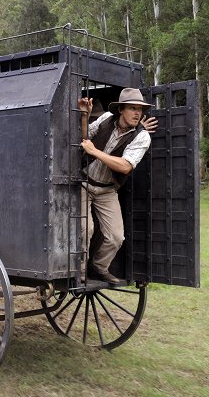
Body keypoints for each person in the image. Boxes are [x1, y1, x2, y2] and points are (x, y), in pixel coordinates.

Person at [78, 88, 154, 284]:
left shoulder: (142, 136)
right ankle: (78, 270)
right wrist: (85, 116)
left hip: (107, 190)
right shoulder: (105, 119)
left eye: (140, 109)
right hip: (85, 184)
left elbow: (125, 166)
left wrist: (95, 151)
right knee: (86, 228)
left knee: (116, 237)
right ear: (121, 109)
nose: (138, 113)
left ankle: (98, 268)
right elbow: (85, 136)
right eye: (133, 108)